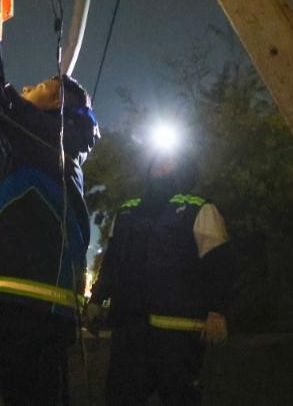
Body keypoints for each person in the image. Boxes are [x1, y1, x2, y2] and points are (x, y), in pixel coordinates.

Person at [0, 27, 100, 405]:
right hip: (27, 300)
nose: (28, 87)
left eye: (40, 87)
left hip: (36, 302)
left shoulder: (53, 140)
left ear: (56, 107)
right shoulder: (33, 147)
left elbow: (2, 111)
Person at [89, 149, 235, 406]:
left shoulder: (199, 209)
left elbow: (219, 264)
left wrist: (217, 311)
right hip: (131, 332)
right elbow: (112, 263)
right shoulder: (126, 213)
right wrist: (96, 299)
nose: (162, 165)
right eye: (157, 160)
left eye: (170, 161)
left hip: (178, 337)